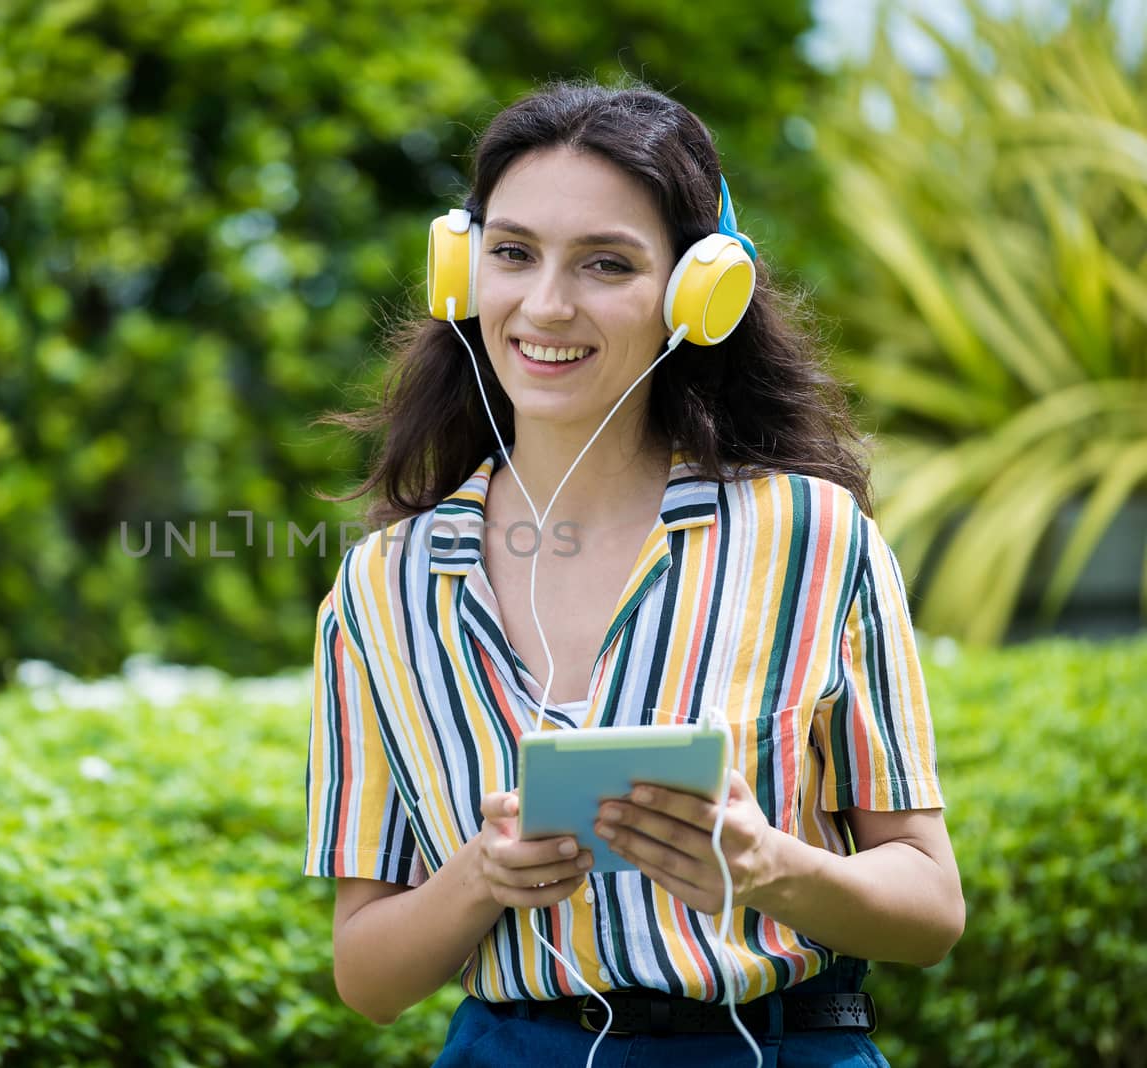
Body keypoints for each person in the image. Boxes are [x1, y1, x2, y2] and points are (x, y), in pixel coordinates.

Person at [303, 81, 964, 1067]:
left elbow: (931, 909)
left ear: (697, 295)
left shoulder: (812, 539)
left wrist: (768, 867)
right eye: (513, 252)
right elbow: (366, 975)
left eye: (605, 263)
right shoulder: (379, 591)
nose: (546, 304)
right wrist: (480, 876)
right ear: (460, 272)